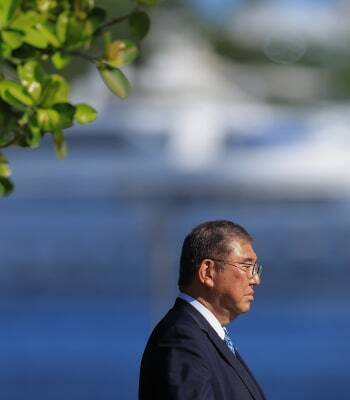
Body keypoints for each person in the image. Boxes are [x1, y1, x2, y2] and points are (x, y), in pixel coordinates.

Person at [139, 220, 266, 400]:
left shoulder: (205, 336)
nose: (255, 279)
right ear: (207, 272)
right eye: (246, 266)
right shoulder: (182, 339)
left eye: (255, 268)